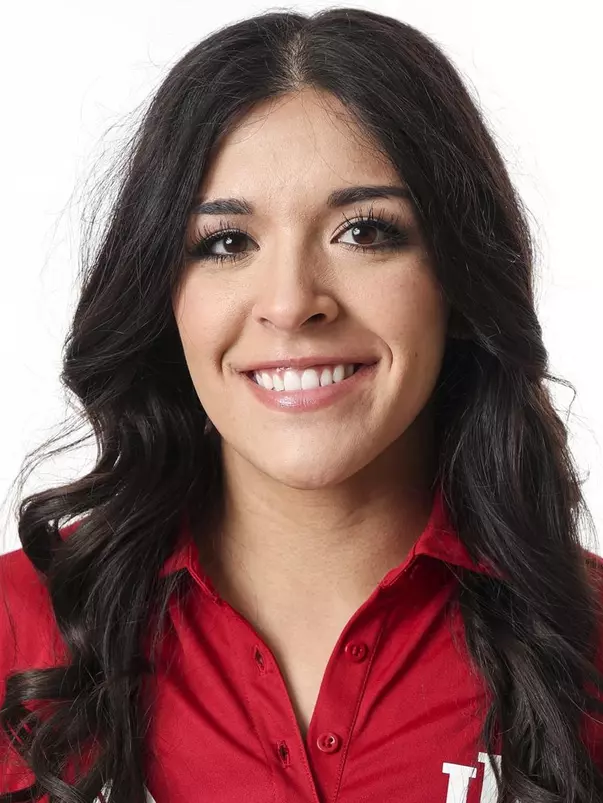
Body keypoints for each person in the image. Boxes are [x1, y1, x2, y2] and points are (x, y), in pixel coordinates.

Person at [1, 6, 603, 803]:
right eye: (225, 242)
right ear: (160, 294)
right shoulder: (18, 631)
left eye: (363, 231)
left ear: (456, 280)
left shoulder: (586, 637)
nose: (290, 303)